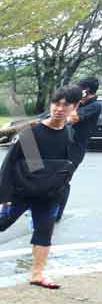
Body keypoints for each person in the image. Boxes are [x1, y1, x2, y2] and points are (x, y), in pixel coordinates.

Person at [0, 85, 82, 288]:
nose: (59, 109)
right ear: (51, 104)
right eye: (56, 103)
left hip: (49, 194)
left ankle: (37, 274)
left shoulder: (68, 133)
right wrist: (6, 195)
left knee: (44, 231)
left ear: (75, 106)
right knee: (2, 224)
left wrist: (61, 188)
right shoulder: (33, 132)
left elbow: (64, 165)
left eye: (66, 105)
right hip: (22, 191)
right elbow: (10, 164)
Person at [55, 77, 100, 220]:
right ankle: (44, 208)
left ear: (86, 91)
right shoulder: (77, 103)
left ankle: (56, 214)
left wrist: (76, 102)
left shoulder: (95, 106)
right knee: (50, 177)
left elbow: (72, 118)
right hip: (62, 145)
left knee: (63, 180)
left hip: (75, 150)